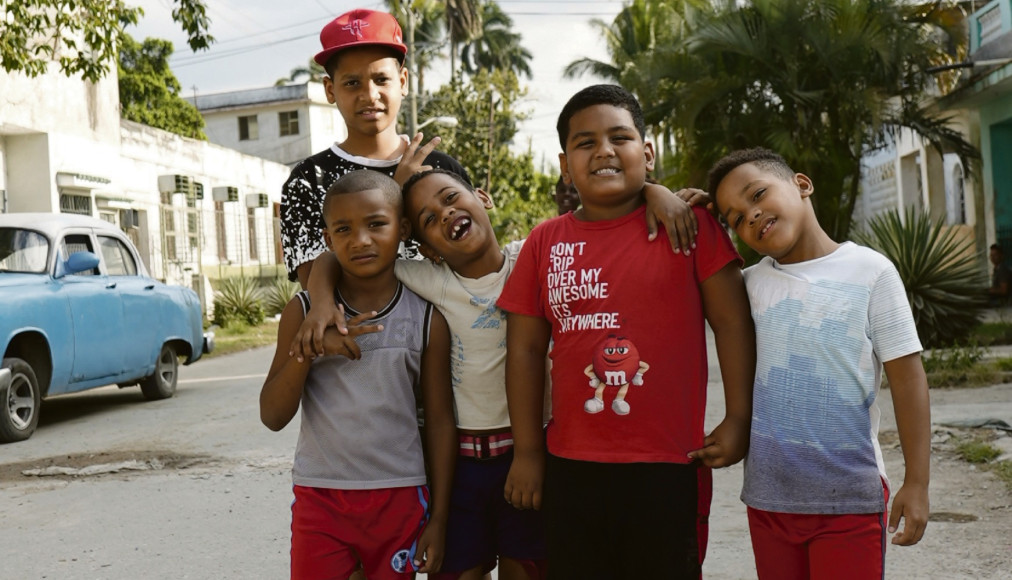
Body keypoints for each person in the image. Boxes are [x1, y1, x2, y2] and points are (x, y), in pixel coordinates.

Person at [292, 167, 703, 580]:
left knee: (525, 568)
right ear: (427, 249)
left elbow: (597, 224)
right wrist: (323, 301)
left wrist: (653, 191)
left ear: (482, 198)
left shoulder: (535, 255)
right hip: (460, 462)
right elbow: (333, 256)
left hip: (528, 450)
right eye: (429, 219)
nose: (445, 214)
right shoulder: (429, 280)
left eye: (451, 198)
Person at [496, 84, 756, 579]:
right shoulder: (543, 242)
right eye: (585, 142)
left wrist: (739, 416)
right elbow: (526, 352)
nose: (604, 151)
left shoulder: (689, 225)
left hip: (670, 463)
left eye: (620, 137)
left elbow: (732, 322)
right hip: (569, 465)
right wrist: (528, 451)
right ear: (564, 164)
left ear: (648, 153)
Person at [707, 147, 931, 579]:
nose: (750, 216)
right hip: (768, 501)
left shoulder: (871, 272)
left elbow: (909, 381)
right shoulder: (747, 286)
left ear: (802, 184)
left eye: (757, 195)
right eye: (735, 218)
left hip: (849, 501)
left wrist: (917, 483)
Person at [260, 171, 456, 579]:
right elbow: (273, 415)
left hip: (400, 495)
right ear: (328, 241)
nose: (361, 240)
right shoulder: (302, 311)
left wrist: (439, 516)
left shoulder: (426, 317)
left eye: (376, 224)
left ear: (402, 230)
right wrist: (310, 349)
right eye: (344, 229)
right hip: (321, 497)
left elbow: (439, 421)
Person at [281, 8, 471, 290]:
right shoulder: (308, 180)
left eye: (381, 79)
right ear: (330, 90)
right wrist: (396, 191)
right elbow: (318, 294)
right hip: (355, 333)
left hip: (446, 332)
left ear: (402, 81)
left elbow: (472, 265)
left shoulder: (443, 172)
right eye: (352, 83)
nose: (369, 95)